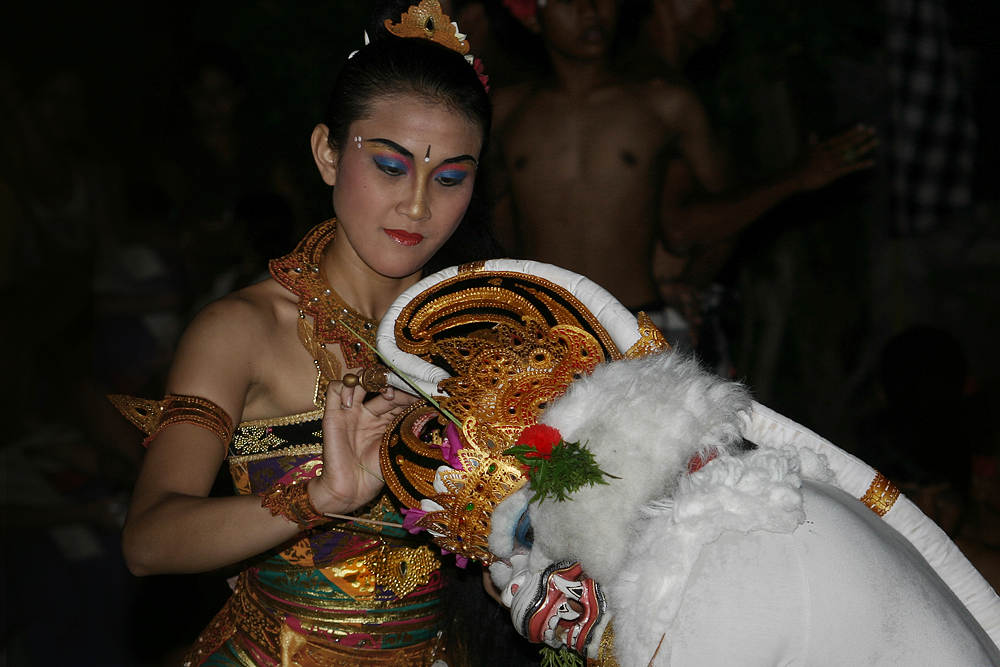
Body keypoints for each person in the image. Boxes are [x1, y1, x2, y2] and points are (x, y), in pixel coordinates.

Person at [113, 2, 511, 665]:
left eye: (449, 178)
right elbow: (147, 541)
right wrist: (318, 497)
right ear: (328, 153)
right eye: (389, 165)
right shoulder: (242, 329)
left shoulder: (479, 332)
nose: (417, 204)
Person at [491, 0, 876, 351]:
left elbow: (718, 216)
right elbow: (487, 214)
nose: (591, 12)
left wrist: (693, 282)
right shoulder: (506, 111)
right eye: (569, 2)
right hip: (537, 330)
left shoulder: (666, 103)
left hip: (641, 323)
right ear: (530, 15)